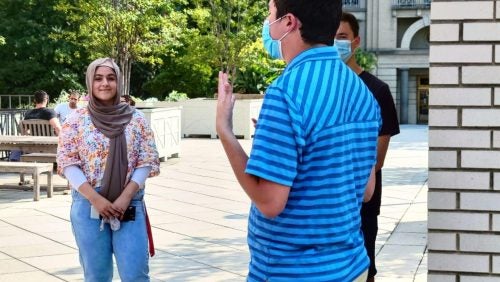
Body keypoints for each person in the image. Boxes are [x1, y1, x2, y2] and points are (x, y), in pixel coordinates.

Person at [216, 0, 381, 281]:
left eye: (270, 14)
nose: (268, 24)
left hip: (293, 270)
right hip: (351, 265)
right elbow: (366, 191)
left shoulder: (286, 93)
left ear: (289, 22)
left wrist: (225, 131)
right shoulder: (362, 91)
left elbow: (270, 202)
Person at [57, 58, 160, 281]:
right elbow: (68, 162)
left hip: (129, 203)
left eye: (111, 78)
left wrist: (125, 198)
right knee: (97, 275)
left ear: (119, 82)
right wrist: (96, 199)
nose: (105, 83)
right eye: (98, 78)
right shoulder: (76, 120)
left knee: (136, 274)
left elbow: (146, 161)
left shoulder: (136, 118)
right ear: (90, 83)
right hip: (88, 203)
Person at [335, 12, 400, 282]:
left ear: (356, 41)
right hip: (327, 200)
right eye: (331, 37)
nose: (336, 43)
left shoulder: (377, 90)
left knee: (364, 266)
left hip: (362, 196)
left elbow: (377, 159)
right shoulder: (323, 87)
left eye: (342, 37)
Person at [9, 90, 61, 161]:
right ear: (46, 100)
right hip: (49, 145)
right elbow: (57, 127)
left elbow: (23, 131)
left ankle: (14, 162)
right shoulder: (49, 112)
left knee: (17, 145)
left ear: (35, 100)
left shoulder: (28, 113)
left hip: (33, 144)